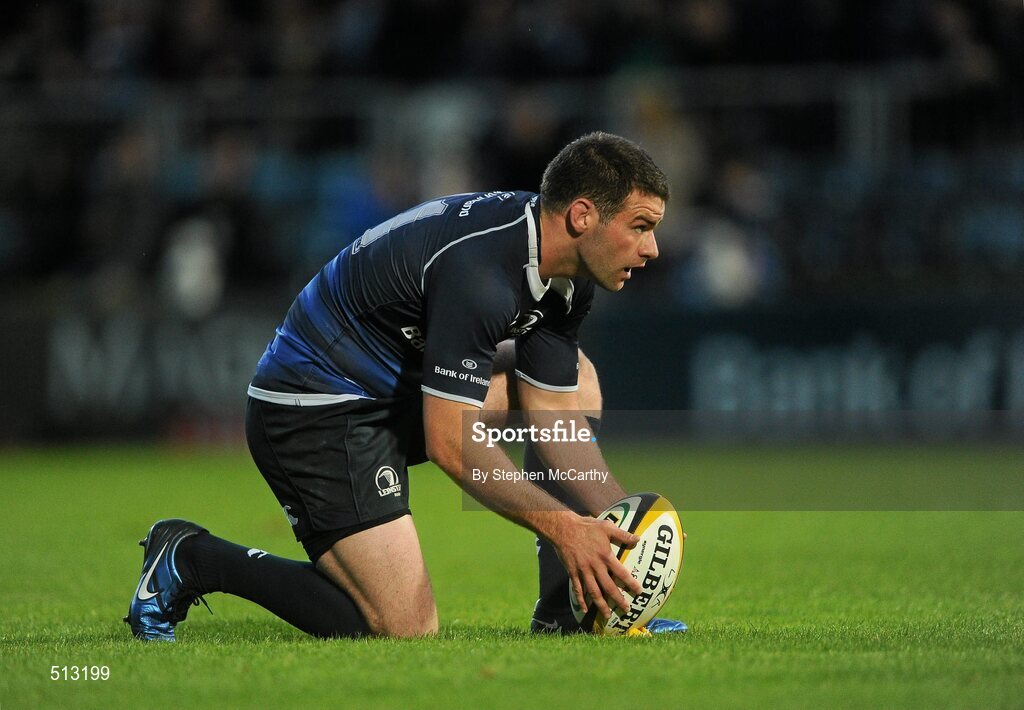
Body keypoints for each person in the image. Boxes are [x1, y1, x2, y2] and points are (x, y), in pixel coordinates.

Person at [125, 131, 687, 640]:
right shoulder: (482, 274)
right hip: (313, 406)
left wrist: (623, 531)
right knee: (403, 627)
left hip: (388, 396)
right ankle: (191, 557)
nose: (652, 249)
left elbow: (551, 414)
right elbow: (451, 444)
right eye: (640, 226)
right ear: (584, 216)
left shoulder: (565, 277)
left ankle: (566, 614)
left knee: (574, 381)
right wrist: (566, 527)